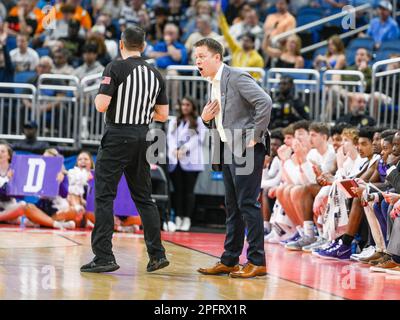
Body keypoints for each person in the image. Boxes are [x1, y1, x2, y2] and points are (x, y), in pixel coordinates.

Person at [80, 26, 169, 274]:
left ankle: (104, 256)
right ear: (143, 46)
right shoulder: (155, 73)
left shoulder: (115, 67)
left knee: (105, 195)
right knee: (144, 198)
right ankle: (157, 255)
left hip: (118, 135)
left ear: (121, 44)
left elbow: (101, 105)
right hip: (143, 136)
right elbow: (163, 114)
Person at [194, 38, 272, 278]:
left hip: (247, 148)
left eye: (202, 56)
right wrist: (206, 118)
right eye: (195, 57)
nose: (198, 61)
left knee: (248, 204)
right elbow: (219, 119)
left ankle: (257, 261)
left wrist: (255, 136)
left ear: (217, 57)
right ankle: (229, 259)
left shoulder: (236, 77)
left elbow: (265, 101)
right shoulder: (213, 82)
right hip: (229, 148)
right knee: (232, 207)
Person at [167, 96, 206, 232]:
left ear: (193, 107)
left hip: (191, 161)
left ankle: (187, 219)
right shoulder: (174, 120)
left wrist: (184, 149)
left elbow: (199, 139)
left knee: (189, 191)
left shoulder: (199, 121)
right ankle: (178, 217)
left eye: (188, 105)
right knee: (178, 191)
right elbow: (170, 138)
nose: (185, 107)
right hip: (175, 160)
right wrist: (174, 150)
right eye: (183, 104)